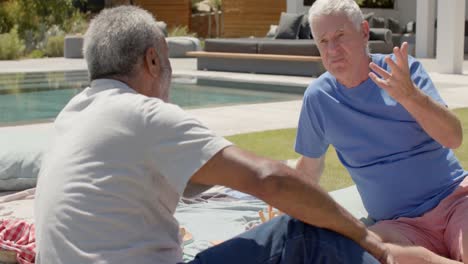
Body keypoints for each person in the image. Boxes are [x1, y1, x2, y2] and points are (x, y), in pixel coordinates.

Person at [33, 5, 393, 264]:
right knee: (299, 232)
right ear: (153, 62)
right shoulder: (143, 114)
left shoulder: (70, 117)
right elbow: (271, 181)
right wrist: (371, 240)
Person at [295, 0, 468, 263]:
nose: (333, 50)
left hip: (455, 202)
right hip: (398, 226)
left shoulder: (402, 71)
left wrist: (410, 96)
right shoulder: (319, 98)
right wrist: (283, 212)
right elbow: (309, 169)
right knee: (353, 249)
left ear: (364, 31)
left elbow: (453, 137)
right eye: (323, 41)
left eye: (340, 36)